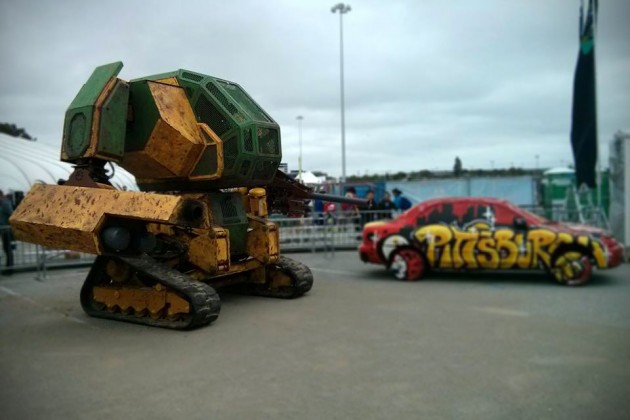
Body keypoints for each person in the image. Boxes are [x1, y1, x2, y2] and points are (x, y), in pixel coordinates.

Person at [0, 190, 15, 274]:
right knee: (6, 249)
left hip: (7, 231)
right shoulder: (2, 203)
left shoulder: (5, 204)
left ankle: (10, 269)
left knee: (8, 249)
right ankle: (8, 267)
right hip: (4, 230)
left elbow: (11, 214)